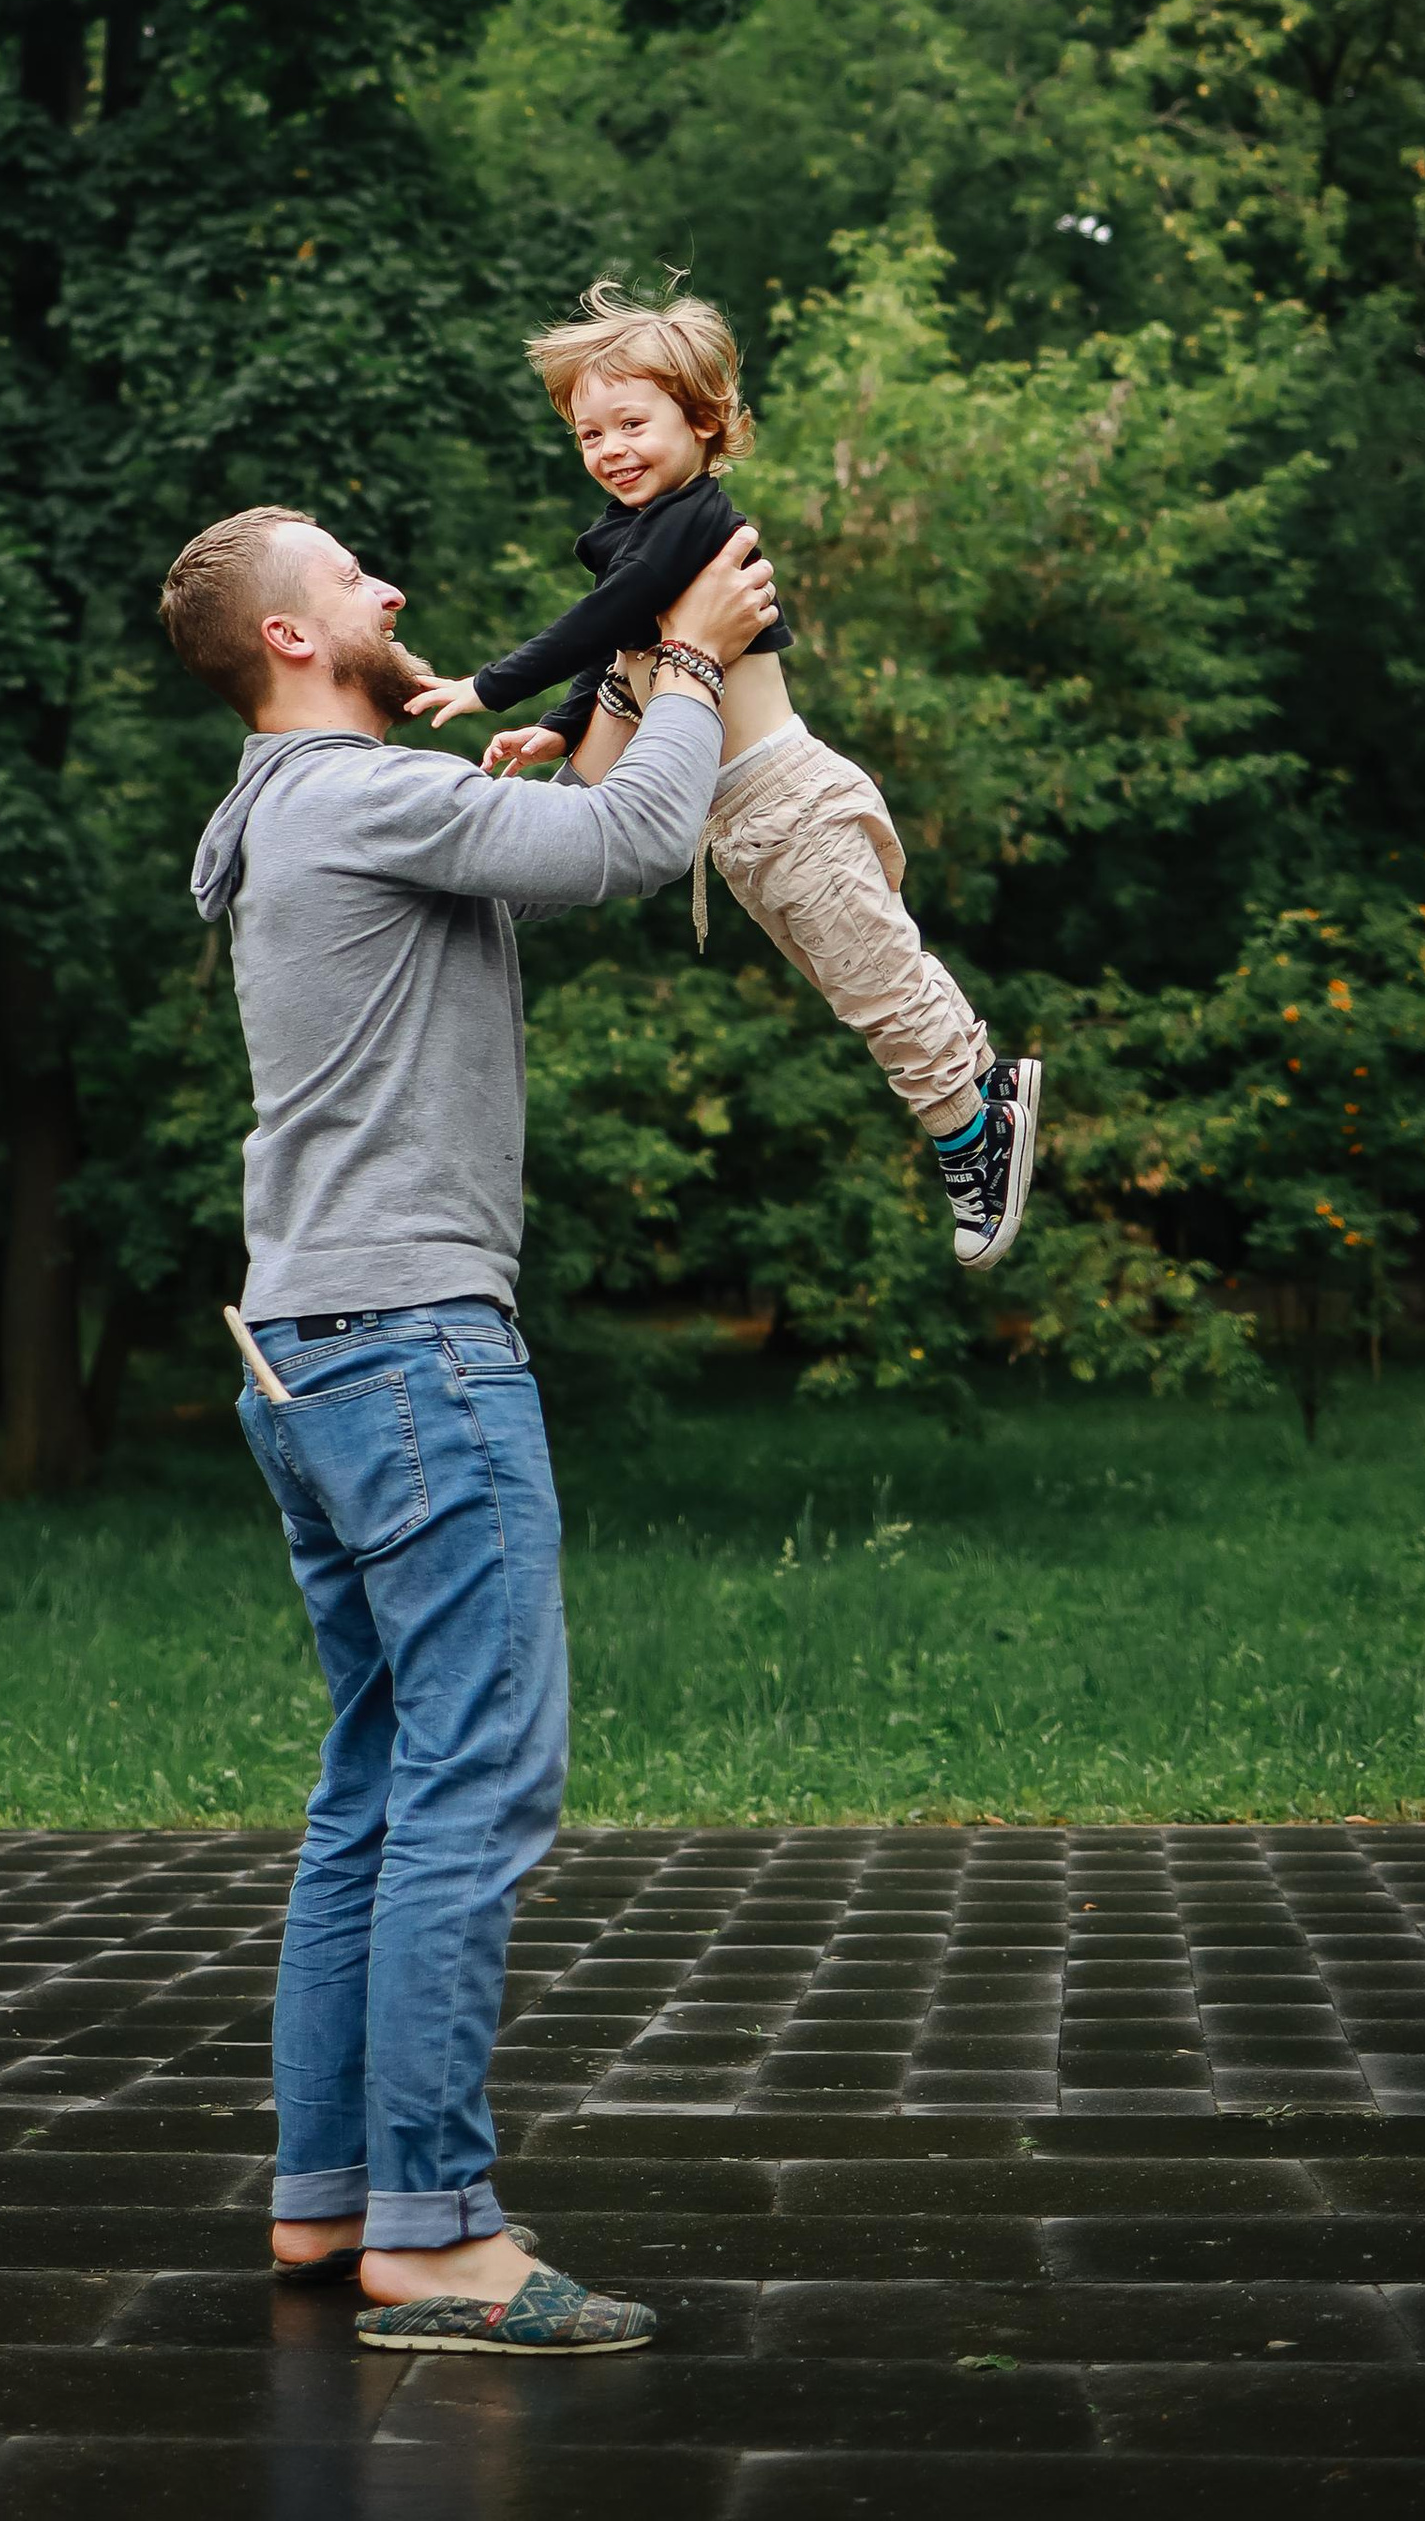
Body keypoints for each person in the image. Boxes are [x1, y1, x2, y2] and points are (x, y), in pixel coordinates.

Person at [159, 497, 778, 2357]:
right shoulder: (349, 794)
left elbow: (555, 830)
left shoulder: (286, 820)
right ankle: (434, 2236)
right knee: (470, 1791)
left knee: (374, 1785)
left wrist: (594, 703)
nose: (394, 593)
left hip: (309, 1347)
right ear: (287, 640)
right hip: (417, 1351)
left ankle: (332, 2197)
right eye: (355, 577)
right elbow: (641, 838)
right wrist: (693, 651)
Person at [406, 277, 1041, 1273]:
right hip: (737, 827)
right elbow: (624, 643)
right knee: (854, 986)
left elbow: (601, 623)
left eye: (631, 422)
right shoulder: (639, 541)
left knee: (875, 987)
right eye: (588, 435)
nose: (608, 448)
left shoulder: (692, 524)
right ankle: (979, 1097)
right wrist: (556, 727)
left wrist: (489, 687)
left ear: (702, 424)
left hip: (790, 805)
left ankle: (975, 1129)